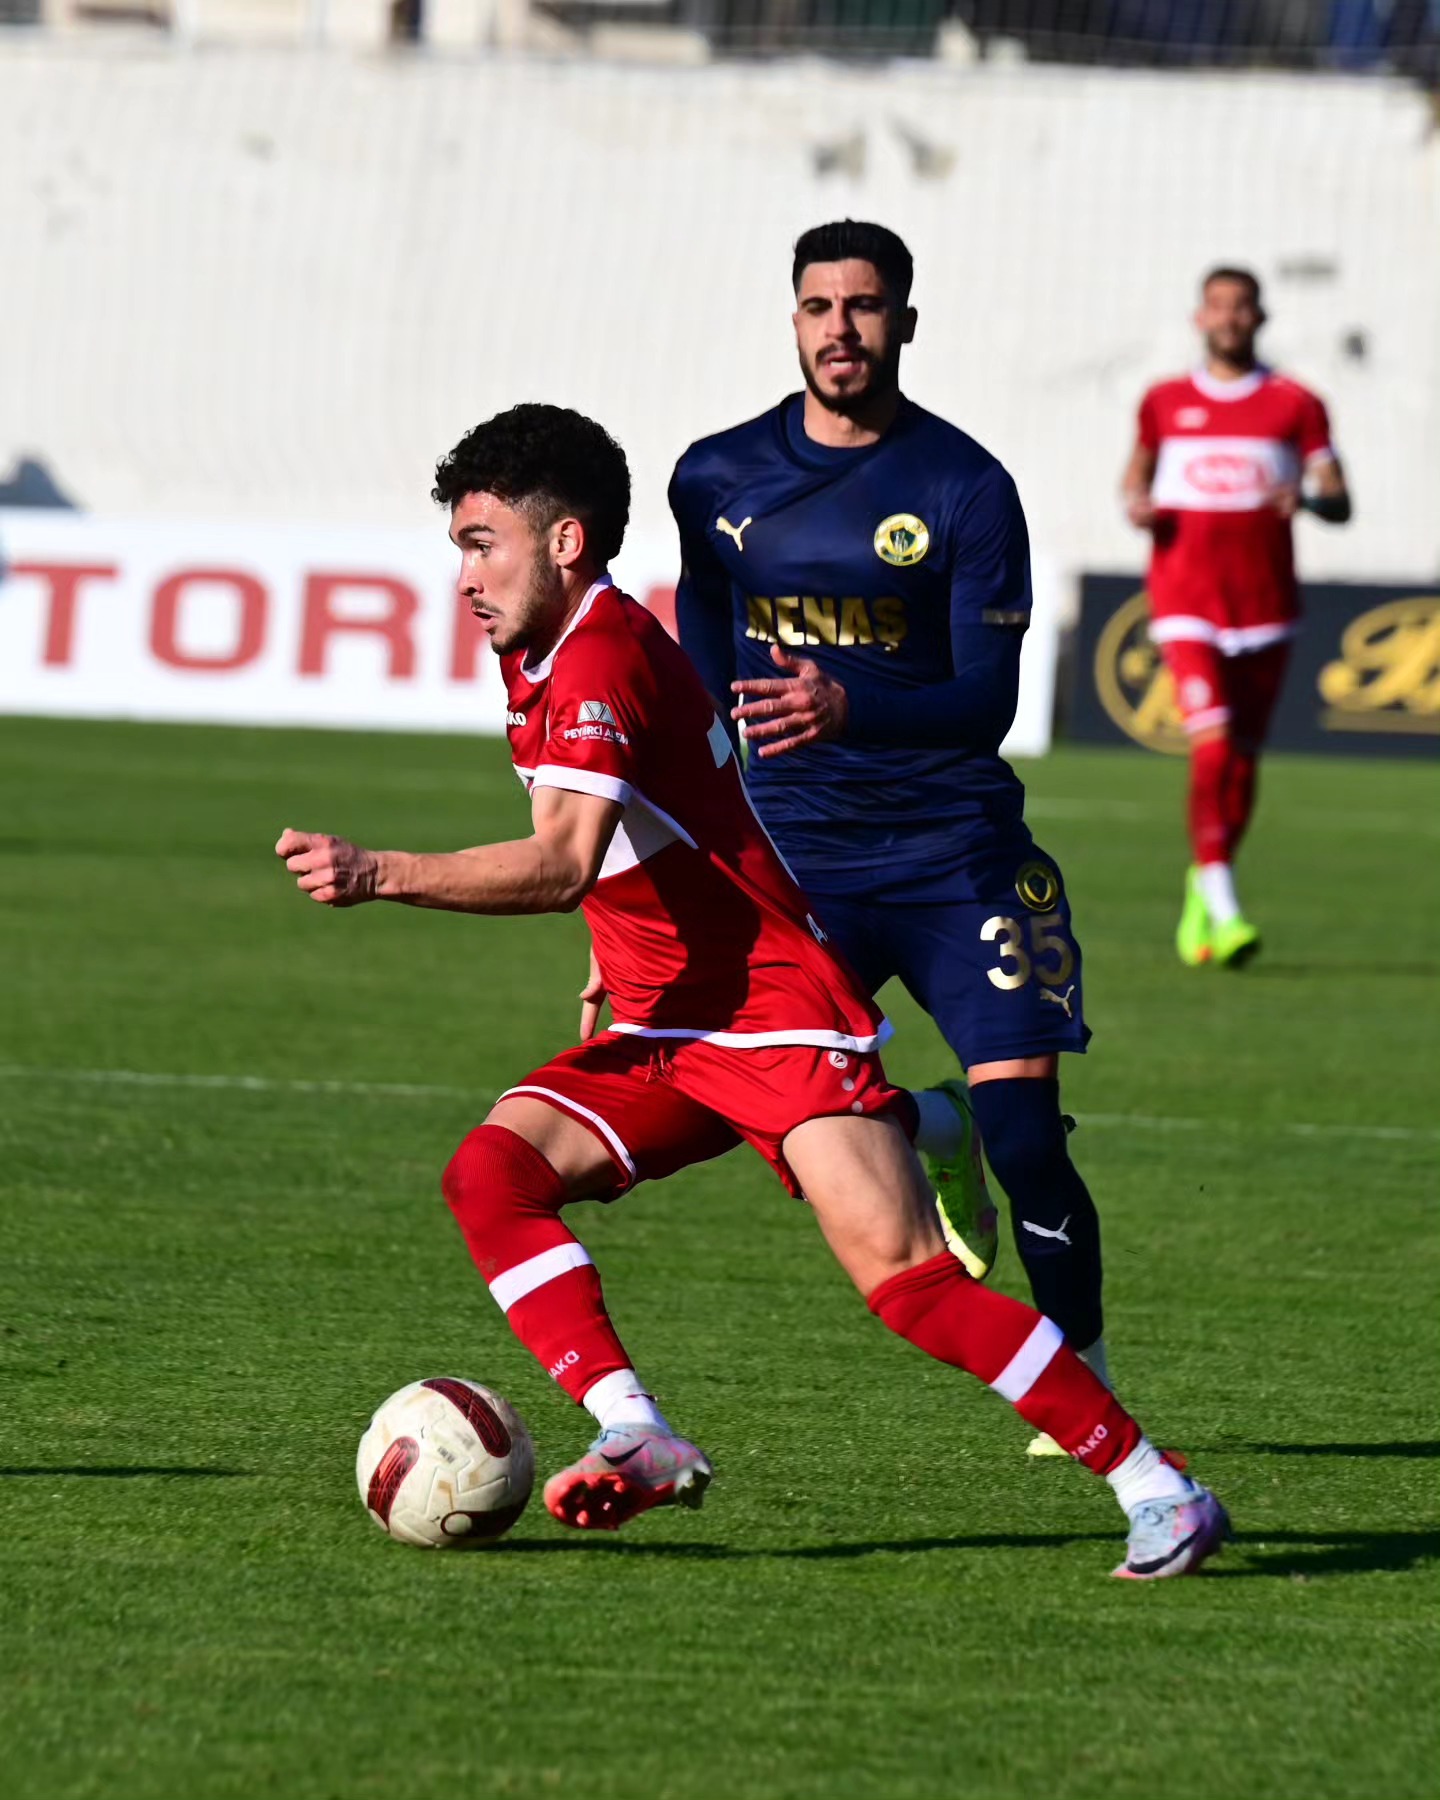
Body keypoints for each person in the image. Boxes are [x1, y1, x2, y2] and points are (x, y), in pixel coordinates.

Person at [276, 402, 1227, 1578]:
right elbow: (643, 831)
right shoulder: (546, 646)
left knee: (913, 1289)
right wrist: (617, 937)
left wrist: (380, 871)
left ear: (564, 542)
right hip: (666, 1021)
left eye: (482, 544)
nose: (464, 575)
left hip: (769, 1015)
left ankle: (1160, 1488)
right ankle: (637, 1430)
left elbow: (561, 860)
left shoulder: (604, 655)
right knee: (492, 1176)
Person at [668, 221, 1111, 1455]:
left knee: (1030, 1136)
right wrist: (678, 851)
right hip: (799, 864)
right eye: (820, 307)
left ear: (905, 322)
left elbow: (988, 702)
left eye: (864, 307)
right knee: (752, 1115)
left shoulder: (967, 488)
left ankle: (1081, 1366)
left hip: (956, 858)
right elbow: (702, 654)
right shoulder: (715, 476)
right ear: (794, 319)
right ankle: (931, 1127)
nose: (841, 330)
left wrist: (847, 706)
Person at [1121, 266, 1351, 967]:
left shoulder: (1296, 403)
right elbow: (1135, 475)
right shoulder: (1164, 400)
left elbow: (1339, 499)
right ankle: (1224, 905)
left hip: (1265, 605)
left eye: (1241, 306)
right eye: (1217, 306)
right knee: (1213, 747)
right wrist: (1137, 503)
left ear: (1259, 316)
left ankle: (1206, 880)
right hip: (1185, 598)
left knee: (1244, 760)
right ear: (1201, 317)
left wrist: (1306, 500)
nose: (1228, 317)